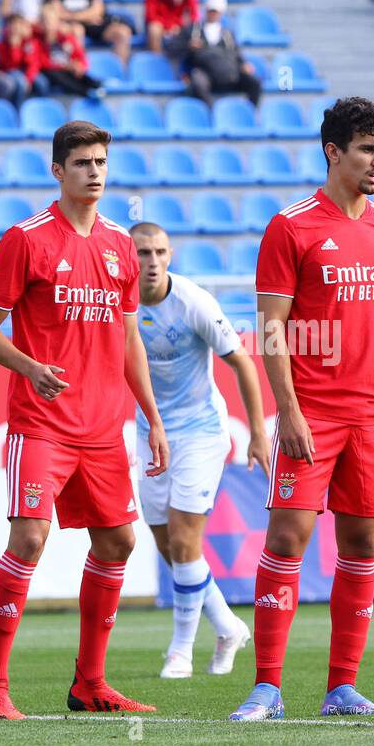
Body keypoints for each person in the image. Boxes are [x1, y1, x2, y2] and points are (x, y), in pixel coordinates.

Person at [230, 97, 374, 721]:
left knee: (362, 541)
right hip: (311, 412)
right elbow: (269, 330)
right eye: (368, 150)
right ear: (333, 152)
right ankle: (267, 687)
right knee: (288, 536)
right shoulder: (290, 227)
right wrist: (285, 410)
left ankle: (341, 687)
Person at [0, 121, 169, 720]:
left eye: (102, 162)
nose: (95, 172)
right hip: (42, 423)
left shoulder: (118, 245)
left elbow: (130, 339)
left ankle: (90, 684)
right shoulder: (25, 240)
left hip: (105, 429)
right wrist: (29, 368)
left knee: (119, 541)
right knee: (29, 538)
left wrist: (152, 418)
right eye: (82, 162)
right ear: (57, 171)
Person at [129, 222, 269, 679]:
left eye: (160, 252)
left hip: (200, 433)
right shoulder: (118, 305)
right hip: (150, 434)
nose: (152, 262)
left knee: (187, 541)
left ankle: (180, 652)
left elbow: (242, 362)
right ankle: (228, 626)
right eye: (143, 253)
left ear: (170, 255)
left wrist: (257, 432)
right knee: (168, 546)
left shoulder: (192, 302)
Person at [177, 0, 261, 107]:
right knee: (198, 83)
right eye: (211, 10)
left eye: (216, 11)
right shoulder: (193, 30)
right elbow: (175, 48)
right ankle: (213, 113)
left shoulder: (227, 34)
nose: (213, 14)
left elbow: (236, 53)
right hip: (206, 72)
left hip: (229, 73)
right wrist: (188, 46)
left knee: (254, 82)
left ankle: (250, 114)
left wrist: (243, 64)